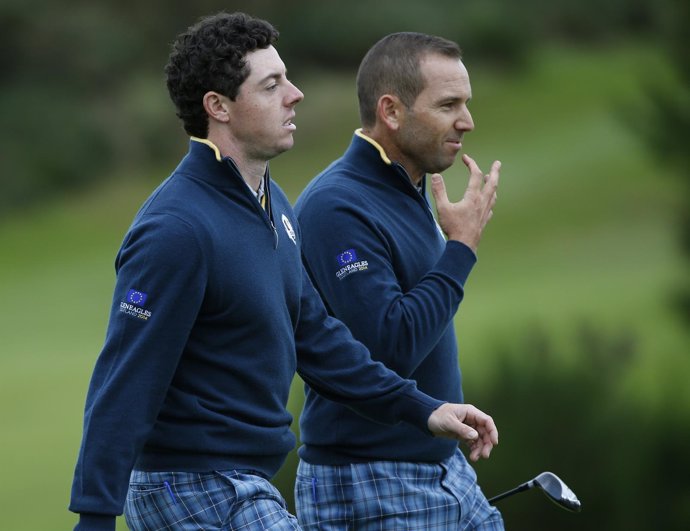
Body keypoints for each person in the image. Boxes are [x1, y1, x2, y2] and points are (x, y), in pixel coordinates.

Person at [68, 14, 499, 531]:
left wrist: (421, 408)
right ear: (218, 106)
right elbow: (125, 377)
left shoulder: (276, 209)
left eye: (287, 79)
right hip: (188, 485)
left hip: (243, 483)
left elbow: (316, 338)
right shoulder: (177, 228)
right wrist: (94, 516)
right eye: (271, 85)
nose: (295, 95)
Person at [293, 32, 503, 530]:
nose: (467, 122)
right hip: (368, 479)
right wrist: (461, 249)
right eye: (448, 104)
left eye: (465, 104)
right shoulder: (337, 206)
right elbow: (390, 346)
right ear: (391, 111)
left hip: (438, 468)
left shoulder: (404, 190)